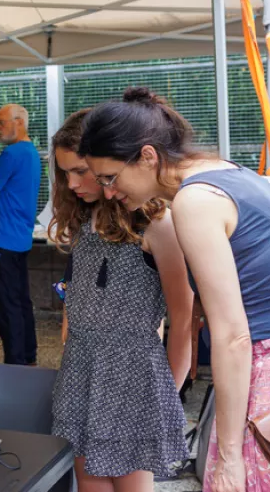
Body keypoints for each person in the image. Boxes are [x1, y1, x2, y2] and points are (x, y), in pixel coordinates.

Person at [79, 87, 270, 492]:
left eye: (111, 177)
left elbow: (233, 337)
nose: (109, 192)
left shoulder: (194, 202)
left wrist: (230, 458)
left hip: (268, 378)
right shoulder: (227, 172)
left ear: (147, 156)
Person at [49, 109, 192, 492]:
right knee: (89, 481)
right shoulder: (81, 221)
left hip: (133, 377)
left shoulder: (155, 223)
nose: (72, 182)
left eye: (81, 171)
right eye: (64, 173)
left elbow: (182, 317)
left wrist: (167, 391)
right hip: (81, 371)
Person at [0, 104, 41, 365]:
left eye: (1, 122)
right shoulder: (31, 152)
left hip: (4, 238)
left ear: (19, 122)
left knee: (6, 305)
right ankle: (27, 355)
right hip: (20, 237)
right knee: (21, 300)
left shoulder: (12, 153)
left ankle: (15, 363)